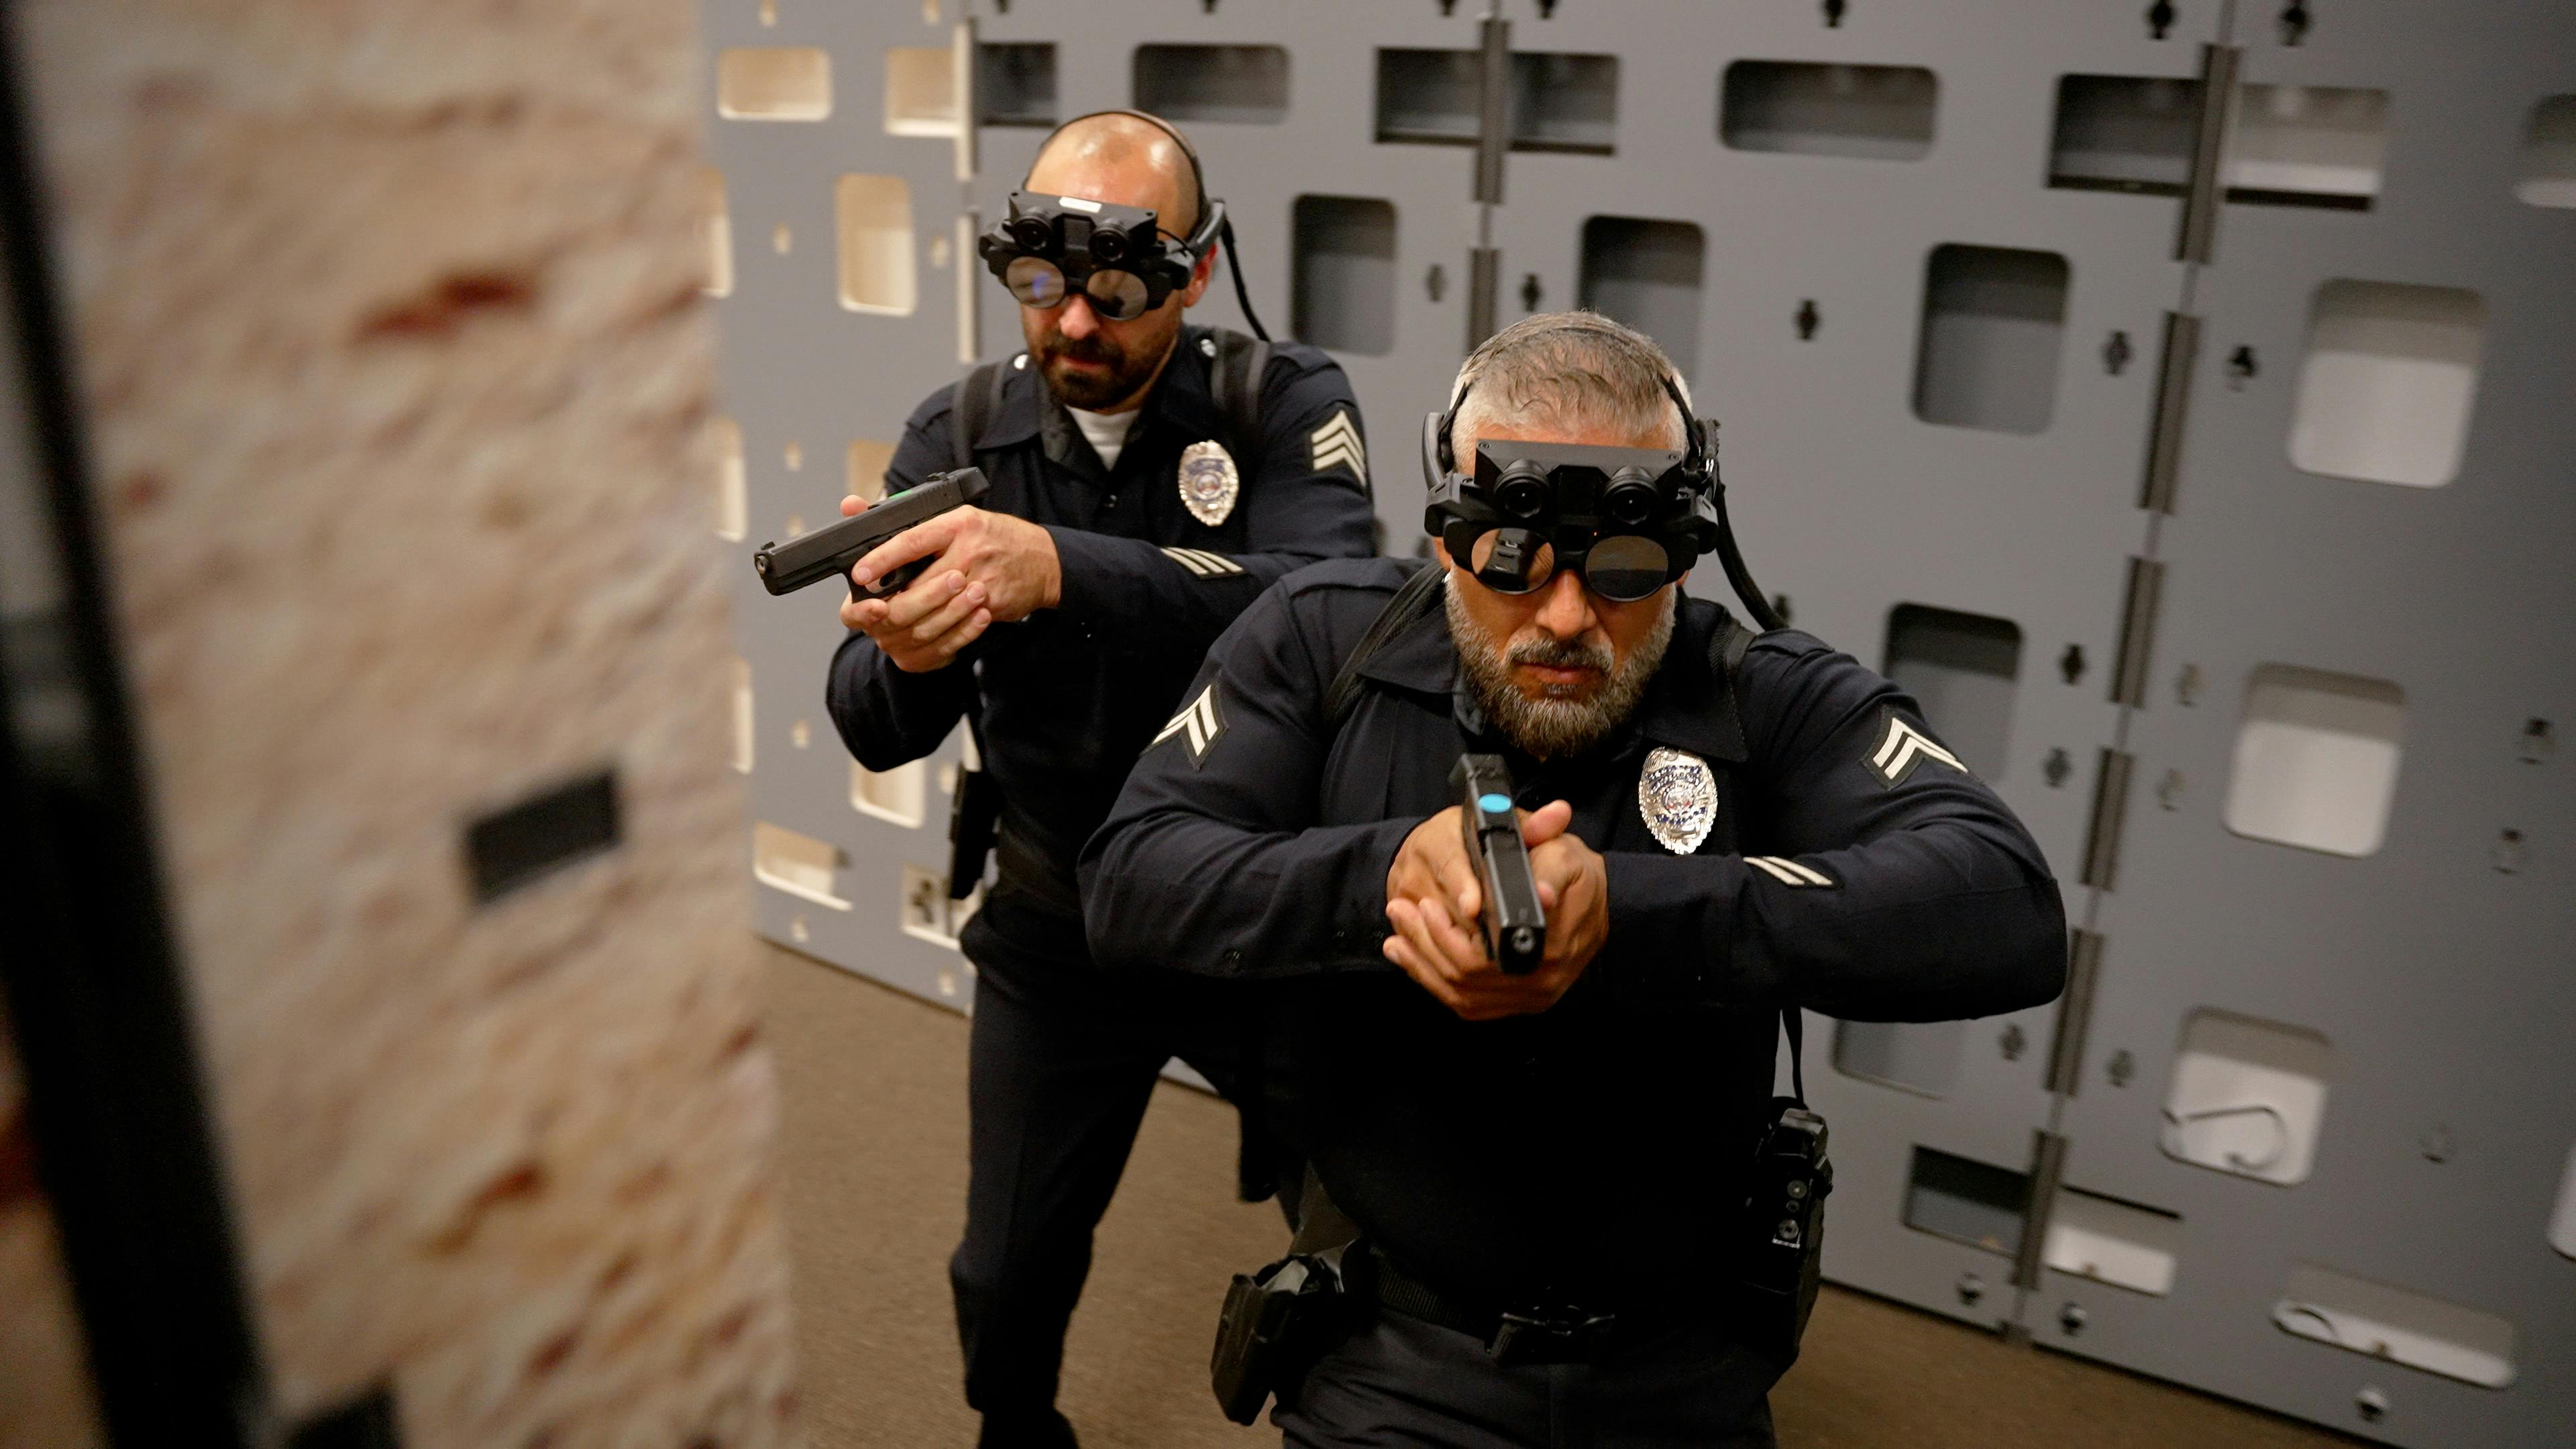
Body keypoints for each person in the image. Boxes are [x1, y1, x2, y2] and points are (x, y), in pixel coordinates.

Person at [1079, 311, 2068, 1446]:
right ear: (1447, 528)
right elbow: (1133, 876)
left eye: (1621, 569)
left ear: (1687, 543)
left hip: (1680, 1365)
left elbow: (2005, 900)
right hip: (1390, 1350)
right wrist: (1387, 877)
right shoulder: (1322, 641)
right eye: (1513, 556)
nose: (1563, 618)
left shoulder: (1767, 695)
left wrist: (1633, 915)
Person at [824, 111, 1375, 1447]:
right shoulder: (956, 431)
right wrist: (904, 648)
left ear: (1195, 273)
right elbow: (873, 729)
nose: (1073, 326)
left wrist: (1063, 570)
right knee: (1002, 1273)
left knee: (1377, 1228)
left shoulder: (1281, 403)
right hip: (1060, 918)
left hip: (1266, 914)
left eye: (1118, 292)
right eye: (1038, 287)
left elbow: (1334, 605)